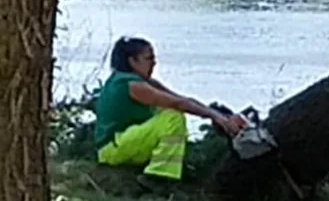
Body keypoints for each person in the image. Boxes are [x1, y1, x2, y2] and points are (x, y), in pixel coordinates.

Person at [94, 37, 248, 183]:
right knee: (173, 117)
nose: (154, 63)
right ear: (132, 61)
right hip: (113, 149)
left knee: (167, 112)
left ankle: (161, 169)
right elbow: (178, 104)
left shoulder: (139, 82)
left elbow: (181, 99)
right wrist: (215, 117)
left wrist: (219, 115)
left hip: (121, 144)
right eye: (149, 58)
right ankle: (159, 176)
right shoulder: (132, 85)